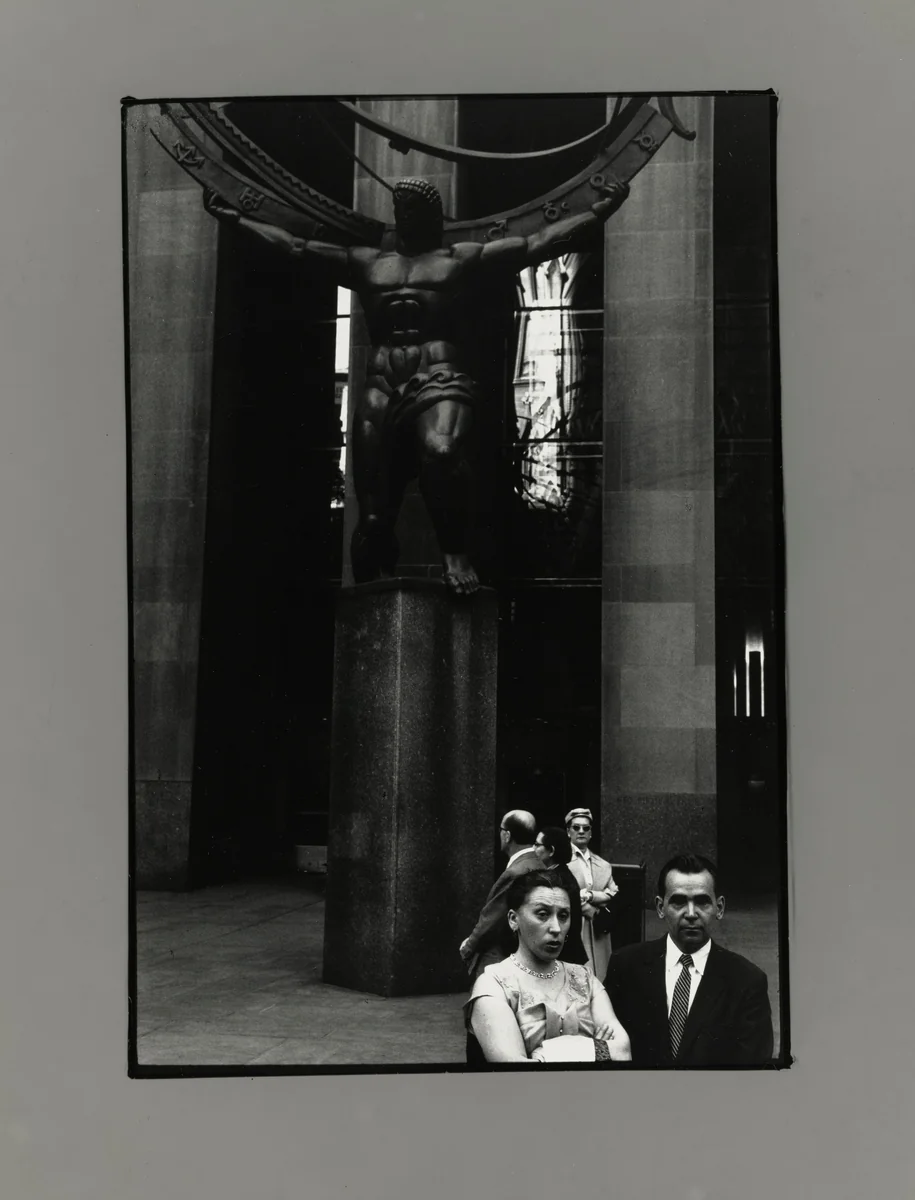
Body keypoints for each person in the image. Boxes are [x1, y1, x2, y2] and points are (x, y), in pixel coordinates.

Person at [203, 176, 630, 594]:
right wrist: (237, 220)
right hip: (382, 383)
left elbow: (535, 244)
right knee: (371, 520)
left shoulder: (457, 259)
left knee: (441, 451)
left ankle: (455, 555)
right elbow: (297, 249)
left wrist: (597, 213)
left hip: (437, 375)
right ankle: (376, 585)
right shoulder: (368, 262)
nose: (406, 216)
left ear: (433, 216)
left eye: (415, 210)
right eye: (401, 209)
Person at [604, 853, 774, 1066]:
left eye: (702, 902)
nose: (691, 913)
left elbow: (753, 1070)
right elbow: (607, 1051)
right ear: (660, 907)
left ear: (719, 908)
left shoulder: (747, 982)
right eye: (679, 902)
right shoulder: (625, 967)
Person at [464, 869, 632, 1064]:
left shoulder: (585, 978)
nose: (556, 928)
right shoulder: (493, 985)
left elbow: (623, 1052)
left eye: (563, 916)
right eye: (542, 914)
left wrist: (542, 1055)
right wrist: (596, 1048)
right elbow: (517, 1073)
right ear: (513, 919)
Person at [459, 810, 541, 979]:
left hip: (500, 958)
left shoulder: (515, 872)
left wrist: (468, 947)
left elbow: (491, 919)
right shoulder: (538, 864)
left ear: (507, 835)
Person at [565, 807, 618, 978]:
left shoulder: (603, 865)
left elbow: (613, 892)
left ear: (591, 833)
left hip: (598, 929)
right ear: (568, 831)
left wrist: (590, 896)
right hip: (574, 927)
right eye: (576, 827)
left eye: (586, 828)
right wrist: (595, 900)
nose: (581, 831)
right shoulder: (562, 861)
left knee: (600, 976)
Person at [533, 826, 588, 965]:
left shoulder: (557, 881)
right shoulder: (559, 874)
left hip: (562, 957)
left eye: (537, 845)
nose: (533, 849)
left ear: (551, 851)